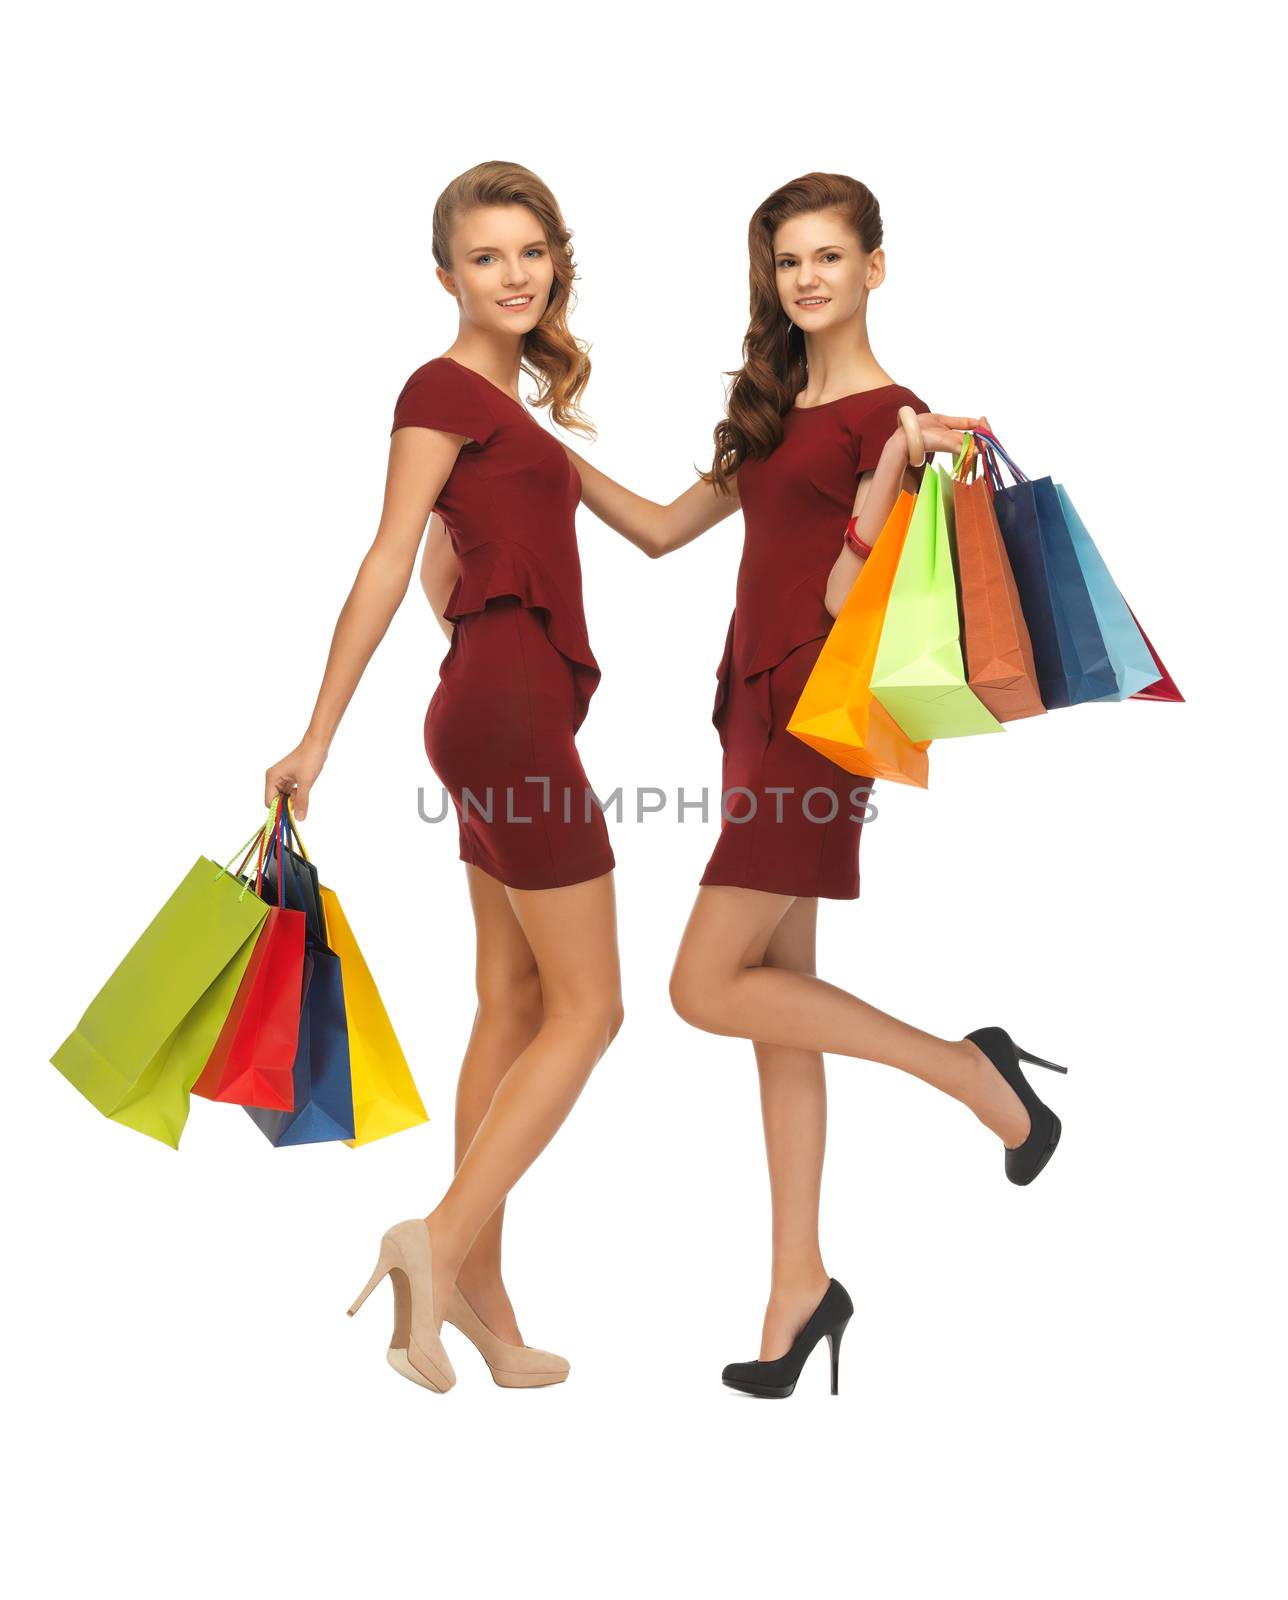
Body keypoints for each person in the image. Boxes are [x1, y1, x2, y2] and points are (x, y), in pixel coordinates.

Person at [561, 171, 1067, 1400]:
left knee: (700, 985)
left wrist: (892, 470)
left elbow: (854, 606)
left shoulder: (895, 416)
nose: (807, 279)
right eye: (788, 260)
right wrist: (539, 449)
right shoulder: (774, 405)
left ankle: (967, 1069)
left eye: (830, 257)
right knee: (773, 1001)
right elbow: (662, 530)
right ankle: (799, 1286)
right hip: (748, 707)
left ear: (874, 268)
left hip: (818, 718)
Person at [266, 161, 623, 1394]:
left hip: (490, 707)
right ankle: (441, 1237)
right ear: (446, 276)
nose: (515, 274)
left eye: (532, 252)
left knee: (515, 1003)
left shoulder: (514, 407)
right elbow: (387, 558)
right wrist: (318, 735)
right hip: (510, 717)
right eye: (487, 257)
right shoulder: (440, 389)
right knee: (595, 1009)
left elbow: (472, 562)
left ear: (554, 261)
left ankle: (477, 1292)